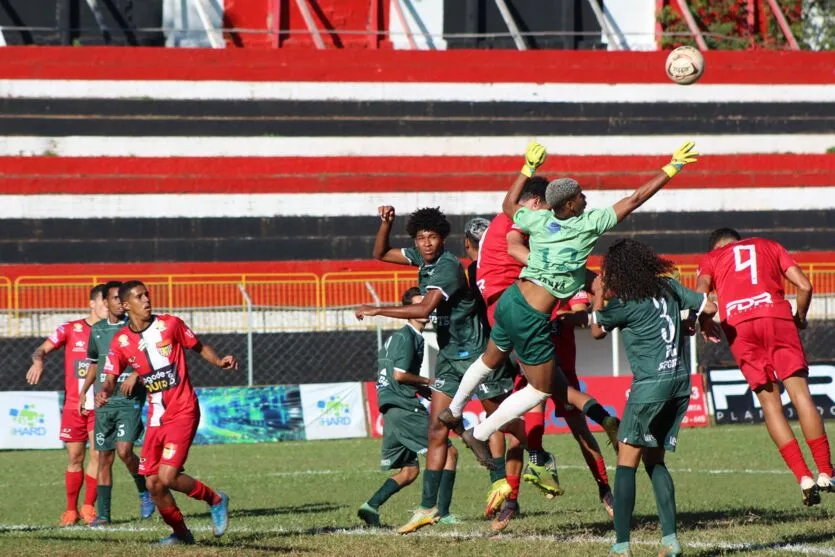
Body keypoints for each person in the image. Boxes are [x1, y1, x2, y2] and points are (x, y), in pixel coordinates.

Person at [442, 140, 699, 466]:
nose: (585, 196)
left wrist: (527, 168)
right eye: (579, 195)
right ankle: (478, 434)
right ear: (568, 205)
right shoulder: (588, 223)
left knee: (490, 360)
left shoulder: (538, 221)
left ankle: (454, 411)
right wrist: (672, 167)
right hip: (532, 315)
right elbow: (634, 199)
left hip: (511, 299)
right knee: (540, 390)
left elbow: (508, 205)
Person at [354, 206, 492, 534]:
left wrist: (378, 309)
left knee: (417, 464)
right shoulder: (421, 262)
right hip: (434, 373)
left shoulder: (444, 267)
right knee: (442, 439)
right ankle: (436, 508)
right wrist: (385, 224)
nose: (426, 243)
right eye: (420, 238)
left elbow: (426, 307)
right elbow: (381, 253)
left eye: (431, 237)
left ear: (442, 238)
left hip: (462, 357)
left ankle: (501, 480)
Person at [591, 239, 717, 557]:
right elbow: (711, 306)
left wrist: (596, 296)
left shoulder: (627, 303)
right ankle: (670, 541)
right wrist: (692, 320)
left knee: (625, 463)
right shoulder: (670, 287)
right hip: (679, 384)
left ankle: (621, 546)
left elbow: (595, 331)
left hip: (649, 388)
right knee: (655, 459)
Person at [697, 228, 833, 506]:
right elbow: (805, 286)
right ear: (740, 241)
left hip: (739, 326)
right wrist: (801, 317)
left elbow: (701, 298)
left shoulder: (711, 258)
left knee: (770, 405)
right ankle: (825, 472)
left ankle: (803, 477)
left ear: (717, 247)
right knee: (801, 396)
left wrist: (704, 323)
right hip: (776, 316)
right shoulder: (769, 246)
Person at [98, 280, 236, 545]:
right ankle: (181, 534)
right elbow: (111, 375)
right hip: (156, 417)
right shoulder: (121, 341)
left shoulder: (170, 324)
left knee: (168, 476)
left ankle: (216, 500)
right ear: (127, 306)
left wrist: (219, 361)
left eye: (147, 295)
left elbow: (197, 346)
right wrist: (105, 390)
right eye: (139, 297)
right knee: (153, 484)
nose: (147, 300)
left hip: (183, 409)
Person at [358, 288, 459, 527]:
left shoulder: (405, 336)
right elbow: (400, 375)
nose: (424, 308)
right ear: (407, 311)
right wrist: (429, 382)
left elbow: (398, 375)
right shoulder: (408, 336)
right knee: (449, 453)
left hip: (392, 408)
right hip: (403, 407)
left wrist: (425, 390)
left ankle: (370, 506)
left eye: (425, 303)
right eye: (417, 304)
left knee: (409, 471)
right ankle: (442, 513)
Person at [25, 284, 108, 526]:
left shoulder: (113, 331)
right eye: (104, 302)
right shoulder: (70, 329)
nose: (109, 307)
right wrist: (39, 362)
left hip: (99, 404)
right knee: (75, 456)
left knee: (97, 454)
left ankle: (88, 507)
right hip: (74, 405)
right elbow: (41, 349)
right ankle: (70, 510)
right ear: (92, 304)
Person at [463, 217, 525, 531]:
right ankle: (505, 487)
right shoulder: (494, 268)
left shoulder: (477, 272)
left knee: (498, 420)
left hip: (492, 349)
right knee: (500, 420)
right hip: (505, 343)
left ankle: (504, 487)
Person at [79, 280, 154, 525]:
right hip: (104, 401)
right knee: (104, 457)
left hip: (129, 400)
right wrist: (85, 391)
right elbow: (93, 364)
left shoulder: (135, 328)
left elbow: (149, 355)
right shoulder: (98, 330)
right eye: (114, 299)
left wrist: (135, 374)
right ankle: (104, 515)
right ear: (106, 303)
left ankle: (144, 491)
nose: (120, 304)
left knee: (124, 451)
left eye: (122, 300)